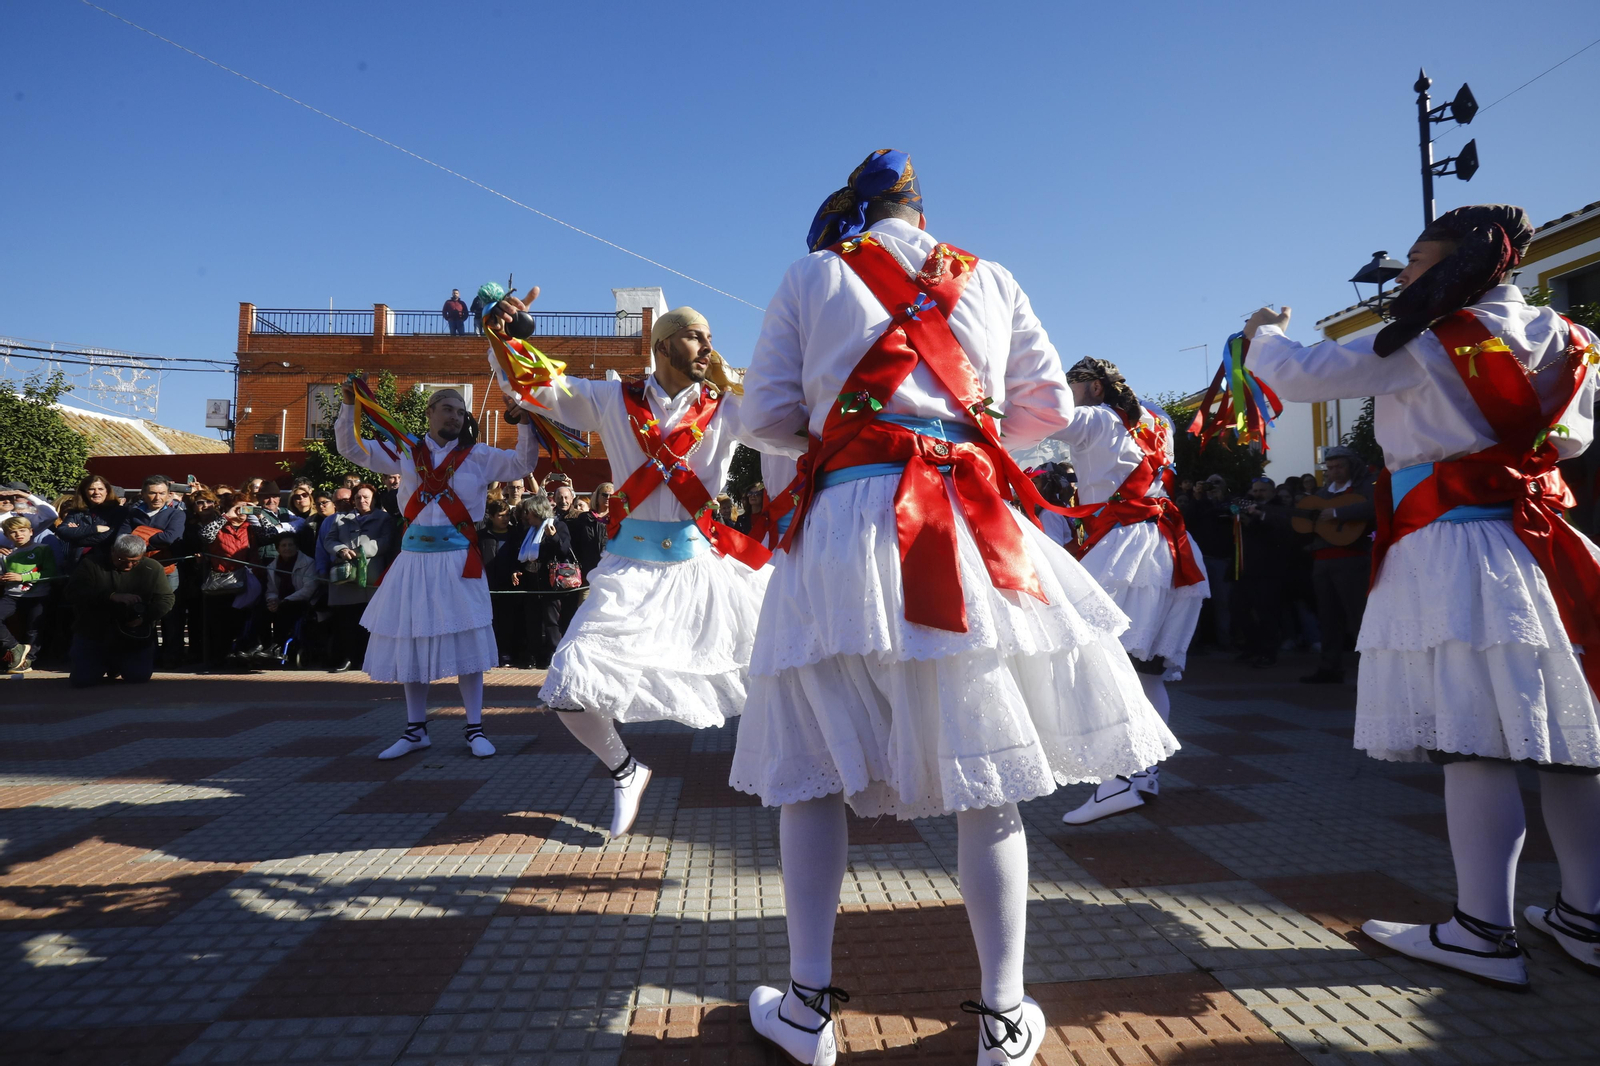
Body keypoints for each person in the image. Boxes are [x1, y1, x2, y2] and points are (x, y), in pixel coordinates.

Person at [729, 149, 1175, 1065]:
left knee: (813, 770)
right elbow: (1045, 408)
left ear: (854, 209)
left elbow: (765, 418)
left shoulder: (813, 273)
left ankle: (808, 1009)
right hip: (967, 519)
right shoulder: (992, 277)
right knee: (990, 775)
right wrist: (961, 435)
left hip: (846, 523)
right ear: (922, 211)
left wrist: (854, 427)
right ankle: (1005, 1022)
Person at [1246, 203, 1600, 991]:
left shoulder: (1428, 340)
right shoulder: (1576, 339)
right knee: (1571, 740)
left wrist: (1261, 331)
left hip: (1455, 549)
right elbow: (1571, 443)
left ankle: (1481, 931)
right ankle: (1586, 916)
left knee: (1474, 740)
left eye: (1413, 260)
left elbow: (1302, 374)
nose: (1403, 275)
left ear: (1455, 263)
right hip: (1548, 547)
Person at [489, 293, 771, 837]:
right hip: (630, 571)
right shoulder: (612, 397)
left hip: (704, 570)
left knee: (782, 668)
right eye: (695, 335)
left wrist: (734, 380)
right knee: (570, 685)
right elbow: (537, 387)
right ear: (663, 344)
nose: (707, 344)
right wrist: (504, 338)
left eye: (711, 337)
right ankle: (626, 769)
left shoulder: (728, 405)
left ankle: (802, 773)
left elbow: (785, 423)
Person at [335, 381, 537, 758]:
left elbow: (521, 464)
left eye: (461, 412)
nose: (455, 417)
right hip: (413, 559)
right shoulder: (405, 451)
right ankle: (415, 731)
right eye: (447, 409)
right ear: (429, 413)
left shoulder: (478, 455)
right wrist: (350, 406)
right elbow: (351, 449)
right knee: (412, 639)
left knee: (468, 638)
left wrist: (524, 423)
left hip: (460, 559)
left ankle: (475, 729)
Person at [1051, 358, 1209, 824]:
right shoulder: (1157, 417)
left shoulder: (1097, 419)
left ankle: (1117, 779)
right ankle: (1142, 776)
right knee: (1148, 672)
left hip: (1124, 551)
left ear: (1095, 387)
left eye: (1072, 384)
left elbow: (1037, 418)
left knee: (1105, 664)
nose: (1066, 392)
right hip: (1170, 548)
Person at [1296, 444, 1375, 684]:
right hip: (1323, 561)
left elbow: (1373, 508)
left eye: (1340, 466)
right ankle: (1329, 666)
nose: (1334, 471)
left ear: (1352, 466)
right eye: (1330, 467)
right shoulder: (1322, 494)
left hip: (1354, 559)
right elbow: (1305, 519)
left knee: (1357, 616)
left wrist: (1338, 514)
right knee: (1328, 616)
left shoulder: (1365, 487)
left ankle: (1371, 673)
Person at [67, 534, 174, 687]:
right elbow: (73, 592)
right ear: (112, 551)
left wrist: (145, 617)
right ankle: (101, 664)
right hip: (95, 631)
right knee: (82, 681)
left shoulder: (153, 567)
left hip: (134, 634)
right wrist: (111, 596)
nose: (128, 566)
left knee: (138, 677)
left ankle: (119, 664)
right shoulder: (91, 564)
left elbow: (166, 599)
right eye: (121, 560)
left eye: (134, 562)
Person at [317, 480, 395, 675]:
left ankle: (367, 659)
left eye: (366, 497)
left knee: (369, 622)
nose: (362, 501)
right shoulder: (339, 519)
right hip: (345, 578)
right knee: (345, 621)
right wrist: (341, 549)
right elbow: (328, 540)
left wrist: (362, 551)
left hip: (370, 577)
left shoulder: (384, 519)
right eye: (358, 497)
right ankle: (347, 658)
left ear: (374, 499)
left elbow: (386, 541)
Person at [1231, 476, 1295, 668]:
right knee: (1238, 608)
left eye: (1262, 491)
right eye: (1255, 490)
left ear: (1272, 492)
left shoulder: (1281, 508)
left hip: (1269, 569)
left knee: (1267, 611)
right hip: (1245, 567)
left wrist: (1259, 518)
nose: (1258, 494)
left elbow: (1284, 530)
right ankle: (1252, 646)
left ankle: (1268, 652)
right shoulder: (1247, 506)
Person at [0, 515, 58, 671]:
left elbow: (50, 572)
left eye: (22, 530)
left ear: (31, 531)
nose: (19, 534)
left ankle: (28, 661)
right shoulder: (6, 554)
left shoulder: (42, 549)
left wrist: (23, 577)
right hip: (11, 595)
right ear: (6, 536)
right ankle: (14, 647)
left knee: (34, 628)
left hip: (38, 595)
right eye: (13, 532)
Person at [263, 530, 316, 661]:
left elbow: (308, 589)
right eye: (283, 545)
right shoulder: (272, 566)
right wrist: (272, 601)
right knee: (260, 610)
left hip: (301, 601)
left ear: (297, 547)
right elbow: (271, 589)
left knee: (285, 609)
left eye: (290, 545)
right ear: (278, 548)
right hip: (280, 601)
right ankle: (261, 646)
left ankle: (278, 647)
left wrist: (283, 601)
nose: (287, 548)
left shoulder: (308, 563)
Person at [56, 474, 127, 568]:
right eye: (91, 489)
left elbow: (108, 536)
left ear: (107, 491)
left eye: (100, 489)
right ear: (84, 492)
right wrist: (94, 529)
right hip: (78, 561)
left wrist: (77, 534)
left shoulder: (119, 511)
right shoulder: (76, 512)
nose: (96, 492)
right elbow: (62, 531)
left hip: (106, 562)